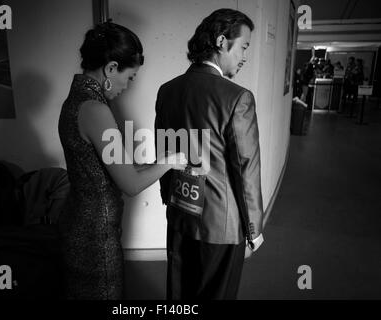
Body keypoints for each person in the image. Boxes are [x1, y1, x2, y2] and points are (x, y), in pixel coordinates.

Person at [58, 21, 188, 300]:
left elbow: (115, 169)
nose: (128, 86)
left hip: (80, 223)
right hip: (95, 235)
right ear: (111, 68)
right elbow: (130, 183)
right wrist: (171, 162)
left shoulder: (75, 100)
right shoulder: (95, 110)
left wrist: (160, 160)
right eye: (130, 77)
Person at [155, 8, 264, 300]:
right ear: (221, 41)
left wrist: (169, 197)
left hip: (180, 212)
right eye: (243, 47)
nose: (244, 57)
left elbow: (163, 150)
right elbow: (245, 167)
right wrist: (253, 227)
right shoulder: (237, 97)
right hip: (220, 224)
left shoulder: (167, 91)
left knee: (179, 294)